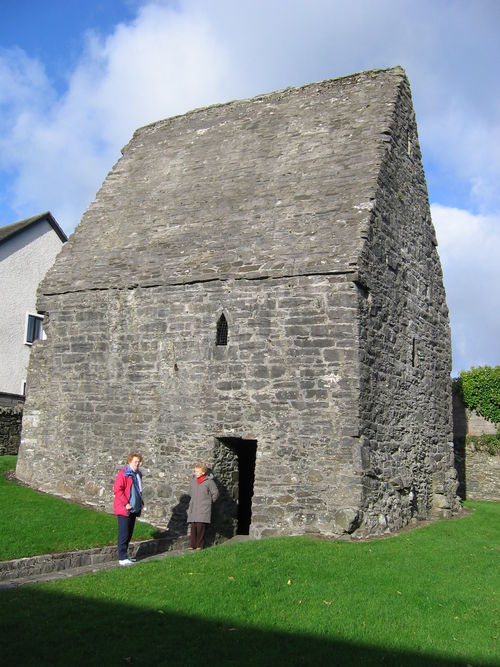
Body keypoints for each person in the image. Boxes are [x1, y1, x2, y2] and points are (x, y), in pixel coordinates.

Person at [113, 452, 144, 566]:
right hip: (124, 509)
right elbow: (117, 489)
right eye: (135, 462)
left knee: (129, 533)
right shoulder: (123, 474)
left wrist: (140, 502)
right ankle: (122, 557)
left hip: (133, 508)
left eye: (138, 462)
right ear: (129, 462)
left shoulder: (137, 474)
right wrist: (126, 503)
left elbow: (138, 491)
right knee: (124, 533)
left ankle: (125, 556)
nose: (137, 464)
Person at [187, 462, 219, 550]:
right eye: (195, 471)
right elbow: (190, 492)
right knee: (193, 526)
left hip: (204, 508)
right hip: (194, 507)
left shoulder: (209, 482)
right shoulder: (193, 481)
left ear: (203, 472)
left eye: (197, 471)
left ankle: (199, 545)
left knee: (200, 526)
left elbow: (215, 493)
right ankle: (192, 544)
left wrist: (209, 502)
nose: (195, 473)